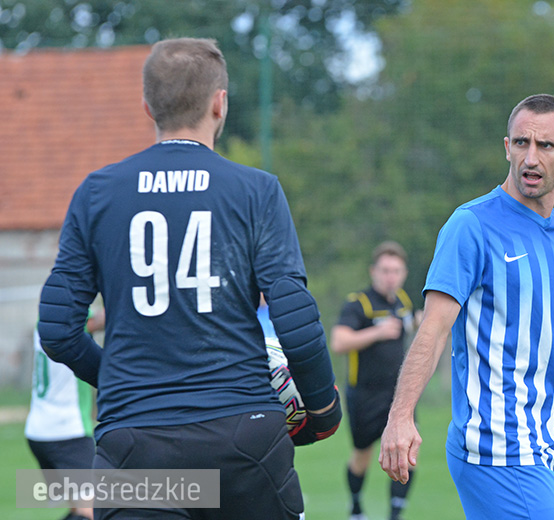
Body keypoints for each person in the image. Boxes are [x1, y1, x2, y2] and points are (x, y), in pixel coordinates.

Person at [37, 37, 341, 520]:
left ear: (147, 105)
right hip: (243, 436)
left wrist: (118, 382)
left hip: (135, 445)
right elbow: (295, 320)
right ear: (219, 104)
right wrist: (323, 405)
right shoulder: (256, 190)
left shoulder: (96, 193)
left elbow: (56, 329)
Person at [379, 94, 554, 520]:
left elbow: (540, 323)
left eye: (546, 146)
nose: (531, 157)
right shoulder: (471, 226)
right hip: (496, 444)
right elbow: (433, 330)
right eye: (521, 142)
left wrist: (547, 398)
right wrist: (400, 416)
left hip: (537, 437)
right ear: (506, 147)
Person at [331, 241, 419, 520]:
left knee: (405, 454)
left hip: (399, 395)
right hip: (364, 394)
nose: (390, 276)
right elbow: (338, 341)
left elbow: (408, 325)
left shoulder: (404, 301)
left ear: (403, 273)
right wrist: (376, 333)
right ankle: (356, 508)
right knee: (362, 455)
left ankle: (395, 514)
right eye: (384, 270)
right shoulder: (359, 303)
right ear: (373, 271)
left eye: (395, 270)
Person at [25, 307, 104, 520]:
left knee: (77, 509)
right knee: (92, 512)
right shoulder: (71, 315)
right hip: (67, 433)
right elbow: (105, 319)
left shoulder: (46, 320)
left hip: (39, 431)